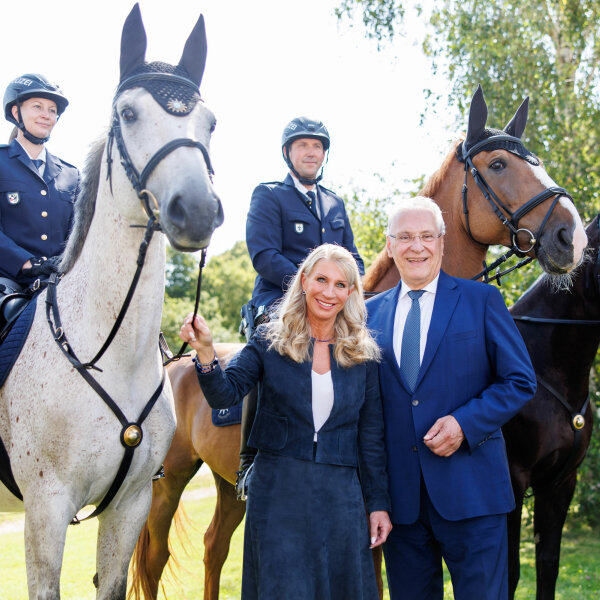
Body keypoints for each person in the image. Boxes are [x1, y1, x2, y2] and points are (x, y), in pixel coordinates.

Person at [180, 243, 392, 600]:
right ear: (304, 281)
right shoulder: (269, 341)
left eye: (341, 284)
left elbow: (370, 437)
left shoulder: (363, 354)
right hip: (279, 492)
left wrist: (378, 504)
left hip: (342, 497)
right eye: (322, 279)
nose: (329, 291)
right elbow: (225, 395)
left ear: (351, 293)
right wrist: (205, 354)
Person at [366, 196, 536, 600]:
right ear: (390, 247)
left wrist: (464, 423)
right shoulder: (368, 316)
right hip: (401, 509)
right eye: (405, 237)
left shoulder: (483, 301)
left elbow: (519, 380)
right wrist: (376, 500)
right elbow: (369, 414)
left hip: (474, 496)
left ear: (442, 243)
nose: (417, 246)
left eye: (427, 236)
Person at [236, 116, 364, 498]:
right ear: (288, 153)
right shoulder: (269, 194)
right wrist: (311, 288)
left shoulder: (335, 202)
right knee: (264, 358)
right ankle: (248, 461)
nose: (311, 152)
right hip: (278, 302)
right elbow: (263, 255)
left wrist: (349, 291)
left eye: (318, 146)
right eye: (303, 145)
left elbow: (352, 259)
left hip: (330, 306)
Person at [0, 73, 80, 318]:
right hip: (8, 280)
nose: (47, 115)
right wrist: (27, 262)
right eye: (37, 107)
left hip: (60, 283)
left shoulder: (71, 174)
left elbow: (79, 234)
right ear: (16, 112)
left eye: (52, 110)